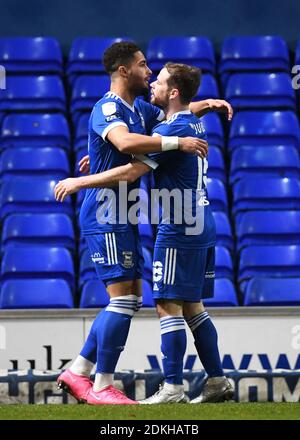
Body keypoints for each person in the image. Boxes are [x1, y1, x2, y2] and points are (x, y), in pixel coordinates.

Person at [55, 41, 231, 405]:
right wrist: (177, 140)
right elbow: (126, 141)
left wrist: (205, 105)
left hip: (129, 211)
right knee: (128, 300)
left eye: (153, 71)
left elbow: (174, 111)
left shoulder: (141, 110)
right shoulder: (108, 107)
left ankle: (80, 371)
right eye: (143, 65)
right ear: (124, 70)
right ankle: (100, 383)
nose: (148, 72)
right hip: (107, 210)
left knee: (133, 299)